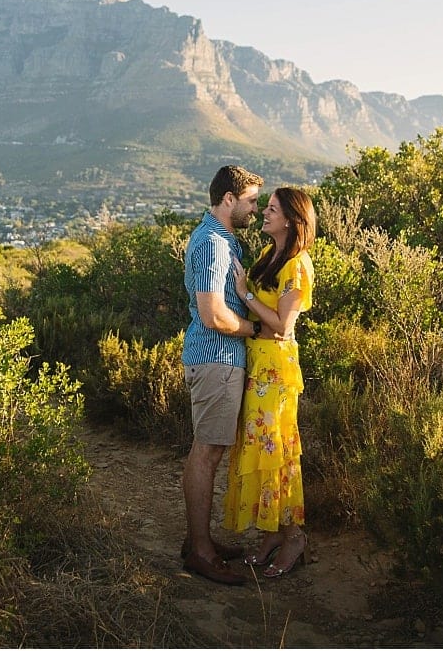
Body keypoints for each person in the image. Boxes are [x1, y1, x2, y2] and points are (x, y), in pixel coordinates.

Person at [223, 186, 316, 578]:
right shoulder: (269, 255)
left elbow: (282, 326)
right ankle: (273, 532)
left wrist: (245, 295)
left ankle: (294, 536)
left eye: (272, 209)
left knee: (276, 451)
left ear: (292, 221)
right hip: (257, 366)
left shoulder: (297, 265)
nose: (264, 212)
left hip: (276, 371)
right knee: (260, 449)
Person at [180, 164, 265, 585]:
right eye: (250, 201)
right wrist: (253, 329)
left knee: (208, 450)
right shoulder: (213, 243)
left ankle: (202, 542)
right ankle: (199, 550)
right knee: (207, 451)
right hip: (216, 357)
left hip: (219, 359)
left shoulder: (221, 240)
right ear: (228, 199)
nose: (256, 208)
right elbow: (214, 313)